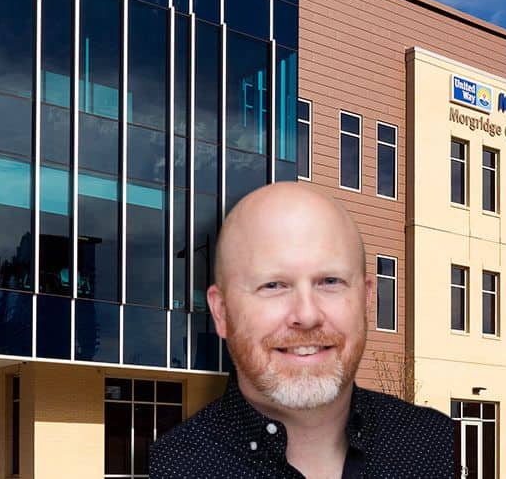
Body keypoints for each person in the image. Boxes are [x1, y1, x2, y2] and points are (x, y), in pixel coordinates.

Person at [149, 182, 453, 478]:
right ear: (221, 311)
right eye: (273, 285)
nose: (306, 315)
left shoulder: (433, 445)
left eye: (330, 282)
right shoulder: (174, 467)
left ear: (366, 299)